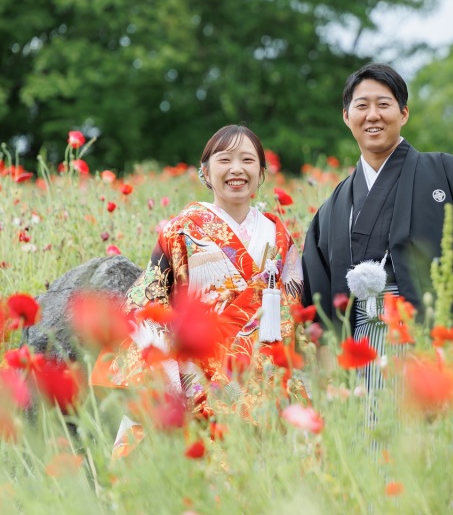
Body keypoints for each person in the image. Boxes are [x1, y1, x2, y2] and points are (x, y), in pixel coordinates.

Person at [301, 63, 453, 417]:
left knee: (426, 445)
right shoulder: (332, 207)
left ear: (404, 113)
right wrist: (327, 366)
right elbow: (319, 296)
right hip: (360, 343)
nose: (373, 116)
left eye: (384, 105)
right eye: (362, 106)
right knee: (367, 441)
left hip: (431, 338)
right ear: (346, 116)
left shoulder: (446, 173)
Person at [92, 124, 304, 456]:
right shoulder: (183, 229)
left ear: (261, 173)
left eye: (248, 160)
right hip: (198, 380)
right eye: (225, 159)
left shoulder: (278, 235)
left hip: (264, 380)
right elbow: (150, 303)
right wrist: (170, 380)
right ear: (205, 171)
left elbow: (291, 312)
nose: (237, 169)